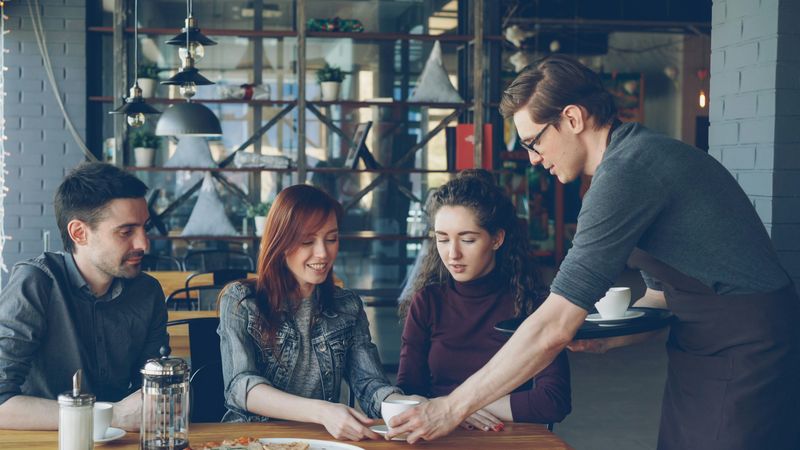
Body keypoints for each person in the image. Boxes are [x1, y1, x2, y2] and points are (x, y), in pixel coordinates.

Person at [387, 54, 800, 450]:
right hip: (700, 346)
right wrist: (611, 340)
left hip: (746, 346)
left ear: (571, 118)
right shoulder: (626, 161)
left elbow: (554, 323)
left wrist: (450, 408)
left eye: (534, 141)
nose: (533, 159)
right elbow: (660, 296)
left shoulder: (627, 172)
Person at [218, 184, 418, 441]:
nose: (323, 253)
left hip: (319, 443)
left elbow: (371, 385)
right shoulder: (241, 301)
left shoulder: (348, 306)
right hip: (252, 440)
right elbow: (241, 386)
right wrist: (322, 412)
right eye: (307, 241)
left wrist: (407, 405)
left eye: (332, 239)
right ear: (280, 242)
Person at [396, 170, 571, 431]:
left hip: (507, 439)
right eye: (442, 239)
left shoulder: (532, 303)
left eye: (467, 239)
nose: (452, 253)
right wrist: (451, 411)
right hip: (438, 438)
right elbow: (408, 392)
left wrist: (457, 408)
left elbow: (552, 400)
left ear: (497, 239)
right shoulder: (427, 302)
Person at [0, 162, 168, 431]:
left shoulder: (147, 292)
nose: (144, 243)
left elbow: (151, 390)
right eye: (126, 232)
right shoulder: (36, 284)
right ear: (79, 233)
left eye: (144, 228)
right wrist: (111, 415)